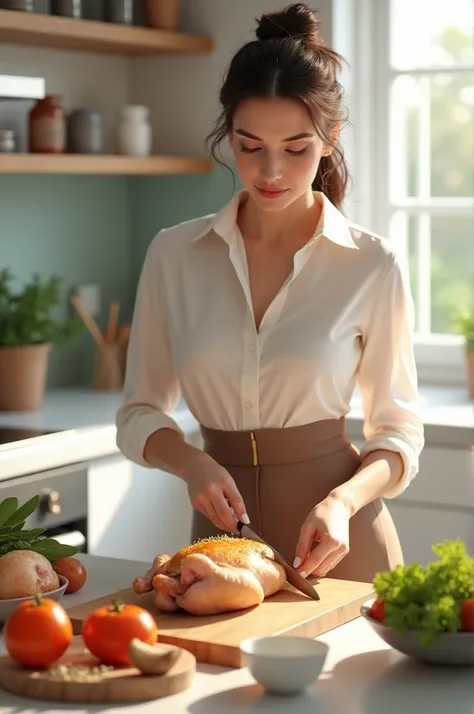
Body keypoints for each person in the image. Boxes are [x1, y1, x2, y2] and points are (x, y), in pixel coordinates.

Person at [116, 3, 424, 584]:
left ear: (330, 139)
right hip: (221, 554)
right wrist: (192, 465)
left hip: (341, 545)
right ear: (228, 135)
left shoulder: (371, 263)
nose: (271, 171)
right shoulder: (174, 255)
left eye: (297, 147)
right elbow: (138, 412)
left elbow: (398, 432)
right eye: (250, 145)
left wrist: (344, 503)